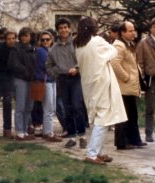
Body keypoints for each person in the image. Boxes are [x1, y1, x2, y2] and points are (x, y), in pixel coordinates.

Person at [74, 17, 127, 165]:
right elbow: (113, 51)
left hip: (88, 84)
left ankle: (99, 151)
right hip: (101, 82)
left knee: (97, 116)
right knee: (103, 118)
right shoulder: (96, 41)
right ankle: (92, 154)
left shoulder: (78, 44)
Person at [46, 17, 88, 149]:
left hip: (76, 78)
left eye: (65, 27)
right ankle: (71, 137)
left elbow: (84, 60)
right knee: (67, 109)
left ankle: (82, 136)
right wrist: (57, 71)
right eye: (61, 28)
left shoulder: (76, 44)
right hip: (62, 79)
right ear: (57, 31)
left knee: (77, 106)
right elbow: (48, 66)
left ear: (69, 29)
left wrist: (77, 69)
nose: (63, 30)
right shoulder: (53, 48)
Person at [111, 21, 145, 150]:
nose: (133, 33)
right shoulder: (119, 46)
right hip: (124, 87)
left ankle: (134, 139)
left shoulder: (128, 44)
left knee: (132, 114)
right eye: (130, 31)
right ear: (122, 32)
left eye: (133, 30)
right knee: (124, 115)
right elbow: (115, 64)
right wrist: (126, 77)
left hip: (130, 86)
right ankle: (122, 142)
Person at [8, 27, 36, 141]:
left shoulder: (32, 48)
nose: (25, 37)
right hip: (20, 79)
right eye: (23, 35)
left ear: (30, 36)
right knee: (20, 106)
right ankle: (19, 131)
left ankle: (24, 130)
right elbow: (15, 65)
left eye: (27, 35)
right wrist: (26, 72)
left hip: (31, 80)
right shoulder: (16, 49)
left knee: (29, 106)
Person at [35, 31, 63, 142]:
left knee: (52, 107)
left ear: (51, 40)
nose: (45, 41)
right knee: (48, 108)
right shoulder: (41, 51)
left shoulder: (50, 50)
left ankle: (48, 131)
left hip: (52, 80)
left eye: (47, 39)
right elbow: (48, 65)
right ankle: (48, 133)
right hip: (45, 80)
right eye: (43, 40)